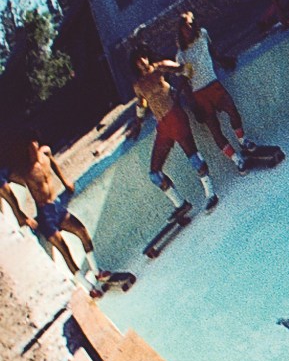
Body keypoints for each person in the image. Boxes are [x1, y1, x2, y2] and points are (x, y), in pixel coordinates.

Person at [2, 137, 133, 296]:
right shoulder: (24, 170)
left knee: (81, 231)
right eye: (29, 150)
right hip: (45, 216)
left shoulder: (45, 153)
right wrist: (21, 216)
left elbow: (54, 163)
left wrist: (65, 182)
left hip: (56, 207)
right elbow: (5, 185)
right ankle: (89, 288)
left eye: (34, 148)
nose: (33, 152)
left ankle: (98, 272)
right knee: (65, 250)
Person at [130, 43, 219, 216]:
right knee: (154, 173)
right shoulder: (139, 85)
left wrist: (184, 93)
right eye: (137, 60)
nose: (141, 61)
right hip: (163, 125)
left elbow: (185, 70)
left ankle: (211, 193)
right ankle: (180, 204)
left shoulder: (160, 68)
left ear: (147, 56)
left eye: (143, 56)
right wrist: (138, 124)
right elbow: (141, 104)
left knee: (193, 156)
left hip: (175, 116)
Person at [175, 10, 262, 172]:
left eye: (192, 24)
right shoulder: (181, 55)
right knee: (215, 130)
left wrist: (224, 60)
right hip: (199, 93)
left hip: (213, 85)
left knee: (232, 109)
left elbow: (212, 52)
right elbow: (185, 82)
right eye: (186, 26)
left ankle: (243, 140)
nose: (190, 29)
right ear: (181, 29)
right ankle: (237, 160)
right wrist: (193, 106)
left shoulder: (202, 35)